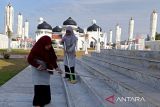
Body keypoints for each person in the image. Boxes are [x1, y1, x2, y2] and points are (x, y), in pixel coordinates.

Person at [27, 36, 62, 107]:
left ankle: (46, 99)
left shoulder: (50, 49)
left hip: (46, 69)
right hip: (37, 69)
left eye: (50, 45)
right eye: (47, 45)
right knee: (39, 85)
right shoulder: (36, 49)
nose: (49, 46)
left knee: (45, 84)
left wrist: (57, 68)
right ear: (43, 44)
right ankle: (37, 103)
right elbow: (29, 59)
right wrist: (37, 66)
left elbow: (52, 59)